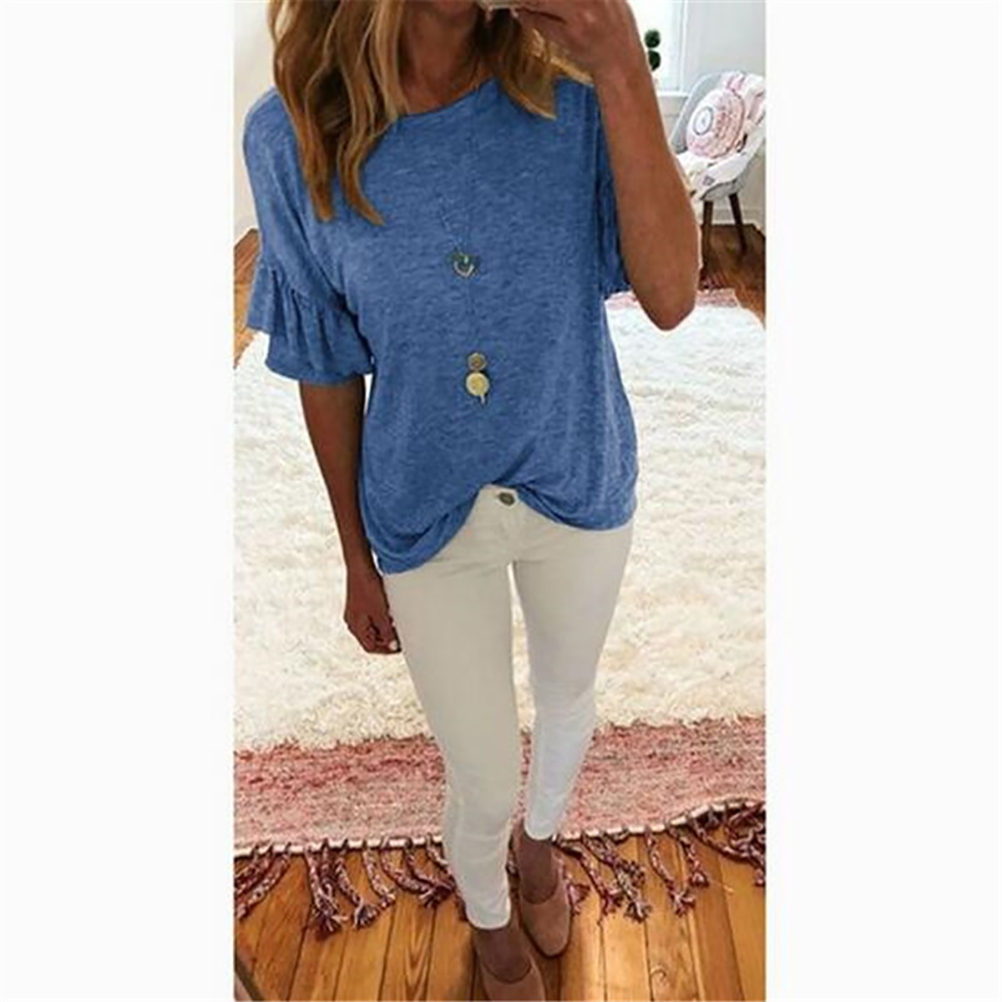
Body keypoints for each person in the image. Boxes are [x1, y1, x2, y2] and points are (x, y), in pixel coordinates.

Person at [242, 1, 699, 997]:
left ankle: (541, 849)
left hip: (576, 468)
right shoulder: (292, 134)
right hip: (420, 500)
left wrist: (622, 66)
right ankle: (489, 918)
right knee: (482, 770)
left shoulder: (573, 91)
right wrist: (354, 555)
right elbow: (324, 362)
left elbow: (671, 297)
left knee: (570, 699)